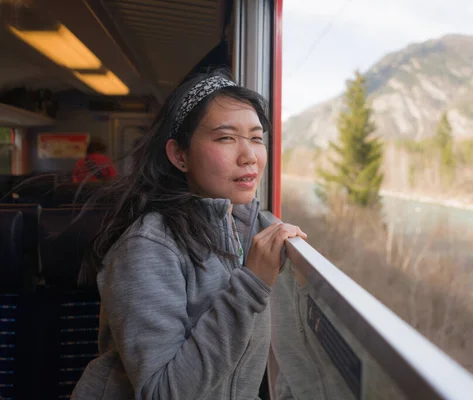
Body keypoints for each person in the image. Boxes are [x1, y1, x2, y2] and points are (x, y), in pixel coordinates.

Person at [71, 69, 306, 399]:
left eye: (256, 138)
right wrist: (251, 284)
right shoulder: (147, 248)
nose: (249, 156)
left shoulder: (242, 230)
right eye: (226, 138)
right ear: (179, 155)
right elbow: (161, 392)